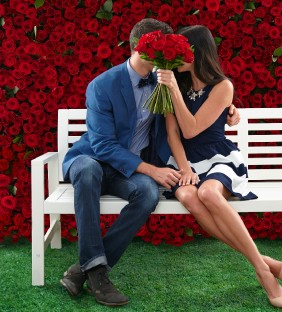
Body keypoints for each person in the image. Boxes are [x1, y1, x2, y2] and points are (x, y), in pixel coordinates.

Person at [59, 19, 241, 306]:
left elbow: (198, 101)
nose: (171, 55)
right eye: (166, 48)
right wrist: (151, 169)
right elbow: (102, 145)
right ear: (147, 48)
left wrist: (229, 111)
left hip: (129, 170)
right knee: (88, 169)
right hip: (92, 158)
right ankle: (97, 273)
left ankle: (82, 271)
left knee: (146, 193)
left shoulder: (165, 81)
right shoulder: (102, 85)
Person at [156, 25, 282, 308]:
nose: (175, 57)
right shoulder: (173, 86)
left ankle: (263, 273)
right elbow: (174, 135)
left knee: (208, 194)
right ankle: (264, 262)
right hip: (184, 161)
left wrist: (172, 90)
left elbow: (191, 129)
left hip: (219, 158)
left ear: (195, 52)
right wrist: (184, 169)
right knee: (189, 195)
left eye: (181, 50)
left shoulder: (223, 86)